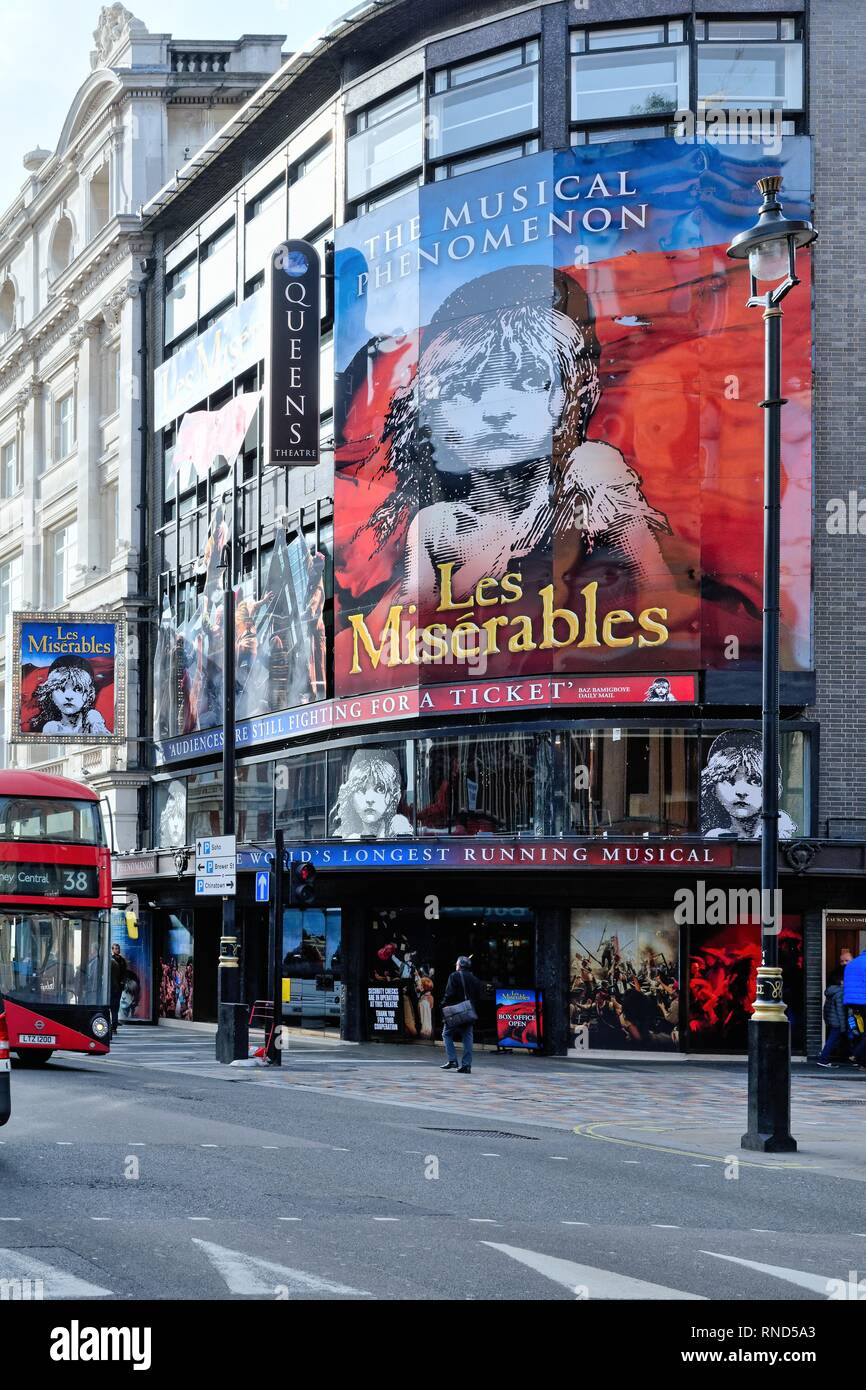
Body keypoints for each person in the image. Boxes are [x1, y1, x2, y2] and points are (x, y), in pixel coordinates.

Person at [367, 265, 674, 605]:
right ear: (432, 413)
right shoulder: (436, 529)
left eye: (529, 381)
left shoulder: (589, 477)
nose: (496, 411)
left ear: (574, 395)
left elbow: (659, 594)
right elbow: (412, 630)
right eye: (465, 389)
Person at [700, 730, 797, 841]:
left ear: (775, 789)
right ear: (713, 788)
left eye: (755, 781)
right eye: (729, 780)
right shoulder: (712, 837)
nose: (741, 791)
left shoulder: (782, 832)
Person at [31, 655, 110, 736]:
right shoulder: (52, 728)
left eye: (78, 689)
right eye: (61, 688)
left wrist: (97, 726)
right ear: (51, 693)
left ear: (89, 694)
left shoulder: (94, 721)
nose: (69, 696)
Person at [440, 955, 484, 1074]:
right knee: (468, 1037)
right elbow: (478, 997)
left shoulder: (454, 976)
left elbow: (449, 994)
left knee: (446, 1034)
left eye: (456, 964)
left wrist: (443, 1005)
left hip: (455, 1012)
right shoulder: (475, 979)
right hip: (469, 1012)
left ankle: (452, 1060)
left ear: (459, 965)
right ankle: (467, 1065)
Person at [817, 968, 848, 1067]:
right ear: (842, 981)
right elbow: (840, 1010)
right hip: (837, 1021)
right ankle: (823, 1059)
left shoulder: (831, 991)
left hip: (831, 1019)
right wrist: (843, 1026)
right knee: (832, 1040)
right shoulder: (840, 993)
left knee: (834, 1039)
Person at [842, 946, 866, 1070]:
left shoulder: (853, 963)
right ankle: (856, 1054)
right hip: (863, 1000)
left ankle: (862, 1061)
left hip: (852, 1003)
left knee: (861, 1031)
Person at [109, 941, 126, 1036]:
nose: (117, 950)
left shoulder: (122, 960)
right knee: (112, 1007)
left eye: (118, 948)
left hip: (118, 987)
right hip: (112, 987)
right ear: (112, 950)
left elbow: (124, 973)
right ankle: (112, 1025)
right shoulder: (111, 960)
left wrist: (122, 983)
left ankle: (114, 1025)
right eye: (115, 948)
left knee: (115, 1007)